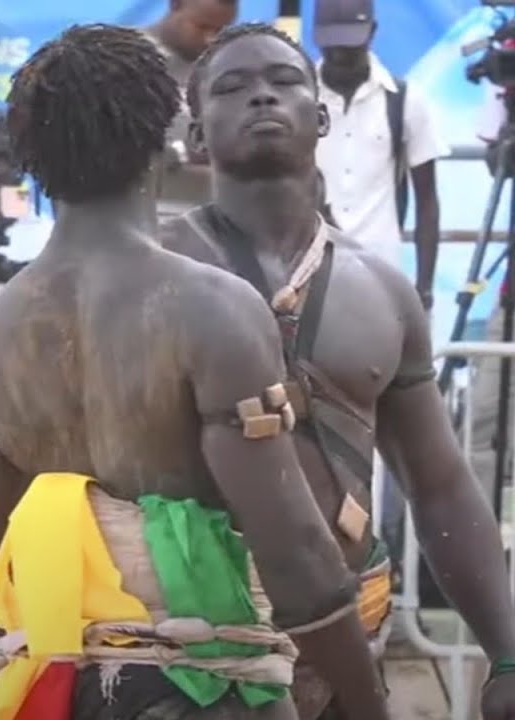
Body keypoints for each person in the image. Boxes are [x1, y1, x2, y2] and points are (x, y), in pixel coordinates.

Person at [0, 23, 389, 720]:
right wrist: (369, 707)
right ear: (165, 137)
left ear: (31, 157)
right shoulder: (212, 309)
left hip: (51, 695)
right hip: (210, 695)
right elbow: (297, 552)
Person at [161, 22, 515, 719]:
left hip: (353, 640)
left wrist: (505, 652)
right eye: (233, 88)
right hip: (182, 651)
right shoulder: (151, 273)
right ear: (197, 137)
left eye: (284, 81)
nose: (263, 96)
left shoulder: (383, 291)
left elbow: (440, 486)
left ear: (320, 118)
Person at [312, 0, 446, 305]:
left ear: (371, 33)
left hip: (381, 272)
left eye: (350, 45)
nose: (339, 55)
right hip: (309, 271)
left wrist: (424, 288)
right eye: (331, 45)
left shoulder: (405, 100)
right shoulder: (298, 97)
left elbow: (427, 201)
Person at [144, 0, 238, 222]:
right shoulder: (125, 59)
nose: (210, 39)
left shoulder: (224, 67)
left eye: (220, 30)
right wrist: (180, 152)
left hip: (208, 228)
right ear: (175, 4)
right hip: (142, 225)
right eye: (201, 26)